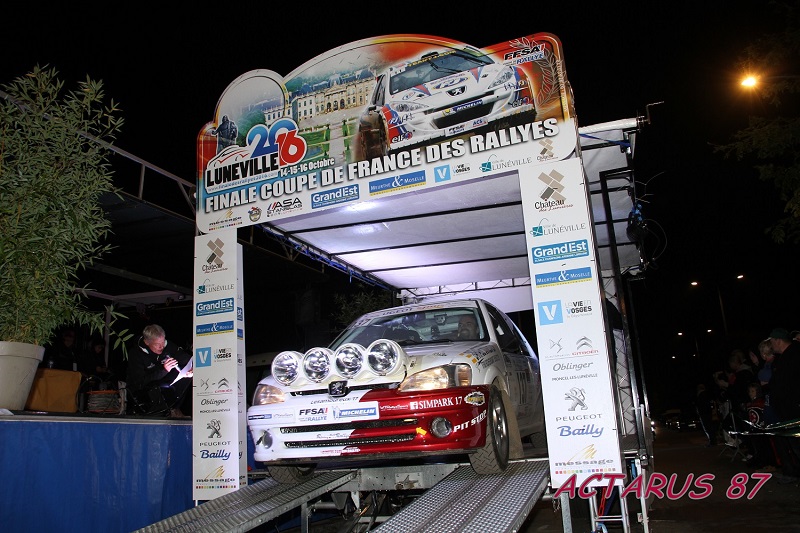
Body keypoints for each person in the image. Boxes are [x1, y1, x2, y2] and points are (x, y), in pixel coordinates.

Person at [126, 324, 193, 417]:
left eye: (163, 342)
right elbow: (140, 382)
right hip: (144, 393)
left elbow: (185, 358)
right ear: (147, 342)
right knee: (156, 387)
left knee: (187, 376)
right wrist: (164, 370)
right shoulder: (136, 354)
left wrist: (192, 367)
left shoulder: (168, 346)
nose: (162, 346)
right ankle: (159, 412)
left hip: (165, 387)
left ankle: (174, 408)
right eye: (157, 344)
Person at [765, 327, 800, 483]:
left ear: (778, 341)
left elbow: (789, 383)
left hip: (794, 409)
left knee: (797, 444)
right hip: (786, 409)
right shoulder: (783, 357)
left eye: (772, 342)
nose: (771, 346)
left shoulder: (794, 355)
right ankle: (794, 472)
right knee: (793, 444)